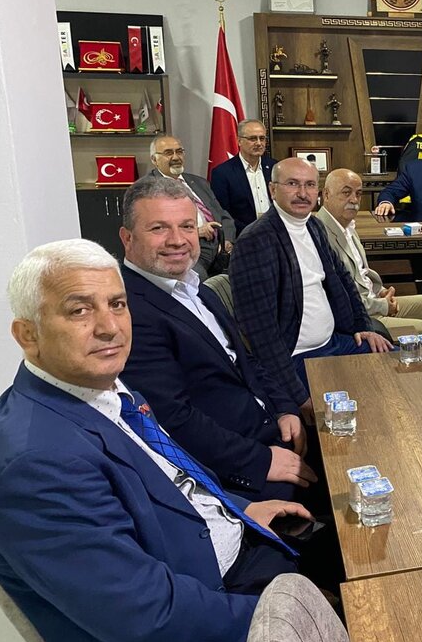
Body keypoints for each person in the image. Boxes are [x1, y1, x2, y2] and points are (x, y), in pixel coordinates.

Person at [0, 239, 316, 642]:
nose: (109, 327)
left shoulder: (105, 390)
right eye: (79, 310)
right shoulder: (35, 466)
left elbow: (170, 479)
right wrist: (286, 615)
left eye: (117, 304)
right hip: (216, 599)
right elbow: (150, 619)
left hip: (235, 548)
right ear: (28, 335)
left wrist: (240, 508)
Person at [119, 176, 316, 501]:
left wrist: (285, 408)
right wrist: (261, 461)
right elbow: (172, 420)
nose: (177, 240)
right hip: (230, 470)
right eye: (158, 228)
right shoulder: (128, 311)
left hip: (272, 429)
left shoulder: (197, 289)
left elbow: (246, 362)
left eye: (186, 226)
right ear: (127, 238)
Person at [230, 158, 392, 407]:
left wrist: (363, 327)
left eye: (309, 185)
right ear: (273, 189)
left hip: (335, 343)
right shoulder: (254, 241)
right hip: (297, 360)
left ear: (318, 191)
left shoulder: (314, 226)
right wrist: (299, 396)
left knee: (401, 367)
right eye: (292, 184)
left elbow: (344, 280)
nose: (302, 193)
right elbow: (261, 333)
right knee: (367, 406)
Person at [317, 168, 422, 336]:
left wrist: (380, 291)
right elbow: (341, 299)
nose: (354, 200)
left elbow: (362, 273)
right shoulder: (321, 234)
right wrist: (383, 306)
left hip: (371, 300)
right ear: (326, 194)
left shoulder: (347, 225)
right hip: (359, 317)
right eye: (346, 192)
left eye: (358, 193)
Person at [144, 135, 236, 279]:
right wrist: (195, 232)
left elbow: (224, 216)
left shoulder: (199, 182)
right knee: (199, 279)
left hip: (220, 247)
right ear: (154, 160)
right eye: (168, 153)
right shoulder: (147, 188)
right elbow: (154, 230)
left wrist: (227, 241)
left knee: (250, 269)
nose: (176, 157)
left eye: (179, 151)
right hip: (184, 250)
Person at [210, 119, 277, 235]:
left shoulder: (275, 167)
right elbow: (223, 213)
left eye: (262, 138)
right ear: (239, 141)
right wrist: (251, 231)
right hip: (243, 235)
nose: (259, 143)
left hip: (276, 233)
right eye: (253, 139)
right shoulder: (222, 173)